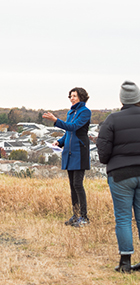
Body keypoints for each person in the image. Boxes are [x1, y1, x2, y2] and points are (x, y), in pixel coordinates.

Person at [97, 81, 140, 273]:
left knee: (123, 218)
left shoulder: (112, 119)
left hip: (121, 173)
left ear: (122, 99)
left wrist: (111, 160)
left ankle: (125, 262)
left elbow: (103, 150)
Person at [43, 87, 91, 227]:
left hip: (79, 151)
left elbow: (73, 127)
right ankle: (76, 215)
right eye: (70, 96)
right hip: (69, 152)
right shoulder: (71, 111)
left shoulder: (85, 112)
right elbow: (68, 133)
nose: (72, 98)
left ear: (81, 97)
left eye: (74, 96)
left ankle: (84, 217)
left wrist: (56, 120)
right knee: (72, 185)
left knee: (78, 184)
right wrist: (60, 142)